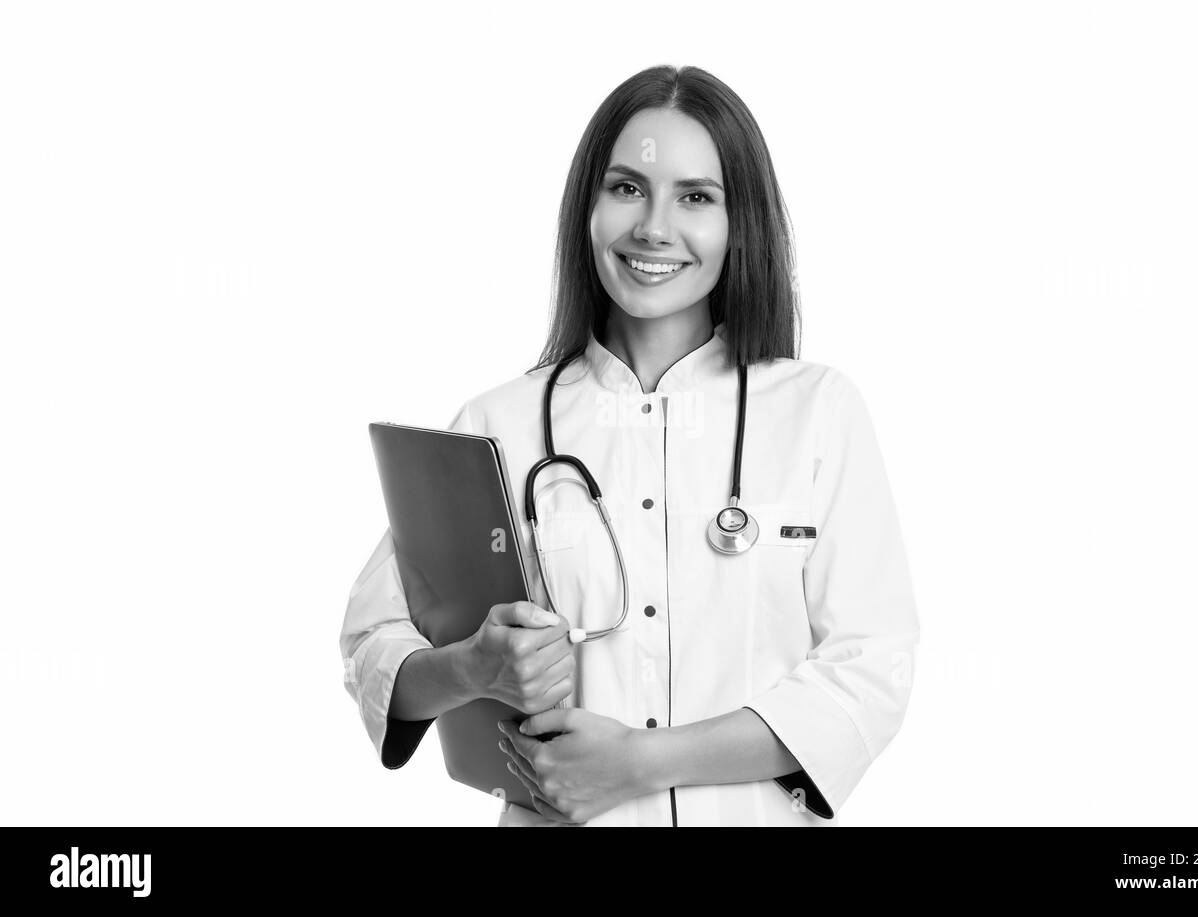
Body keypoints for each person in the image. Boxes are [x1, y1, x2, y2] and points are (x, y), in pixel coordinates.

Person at [339, 64, 920, 827]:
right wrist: (473, 665)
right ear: (588, 207)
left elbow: (870, 668)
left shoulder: (818, 413)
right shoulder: (497, 425)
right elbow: (374, 648)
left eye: (696, 196)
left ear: (739, 221)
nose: (653, 227)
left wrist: (639, 764)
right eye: (626, 188)